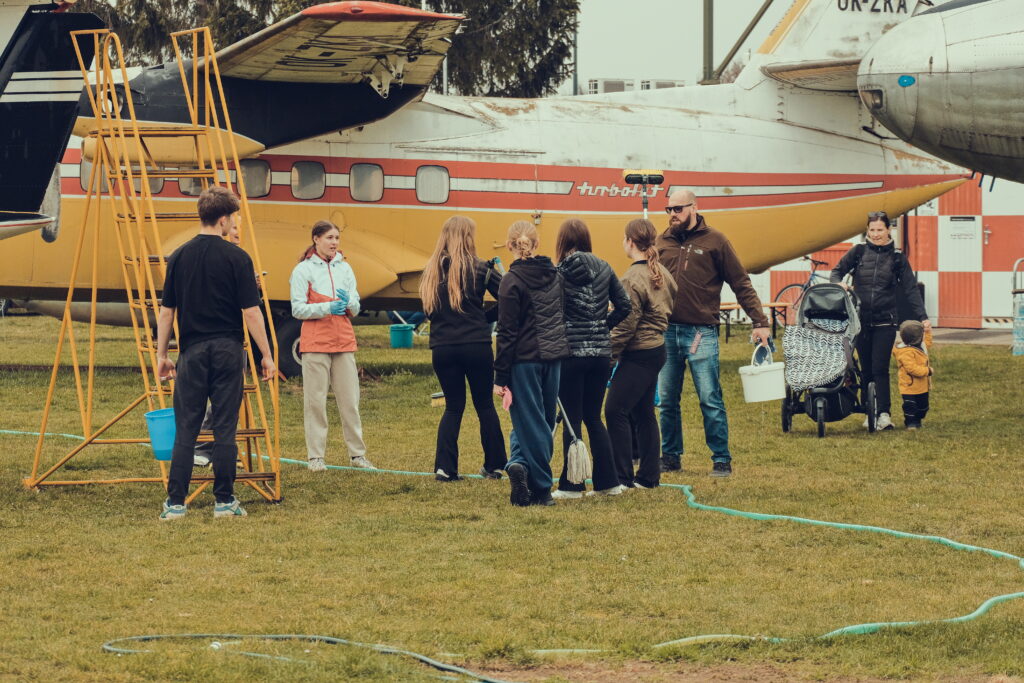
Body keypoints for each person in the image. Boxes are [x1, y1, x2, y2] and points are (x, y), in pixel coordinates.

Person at [156, 186, 275, 521]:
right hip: (228, 350)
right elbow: (251, 312)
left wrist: (162, 355)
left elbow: (167, 312)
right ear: (223, 219)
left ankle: (175, 503)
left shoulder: (178, 256)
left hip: (192, 351)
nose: (233, 223)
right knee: (225, 428)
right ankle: (224, 500)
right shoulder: (238, 258)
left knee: (186, 428)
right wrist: (266, 354)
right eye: (232, 218)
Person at [656, 189, 771, 477]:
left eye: (678, 209)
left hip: (701, 333)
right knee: (667, 400)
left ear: (694, 207)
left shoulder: (716, 241)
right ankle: (670, 457)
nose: (673, 214)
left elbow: (740, 282)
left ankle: (721, 459)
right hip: (666, 331)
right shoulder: (661, 241)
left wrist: (759, 321)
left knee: (709, 398)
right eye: (669, 209)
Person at [419, 216, 507, 482]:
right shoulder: (481, 268)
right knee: (484, 405)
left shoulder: (431, 270)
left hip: (443, 347)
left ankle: (445, 468)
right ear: (468, 237)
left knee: (453, 407)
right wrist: (484, 318)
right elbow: (510, 297)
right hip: (476, 345)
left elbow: (428, 311)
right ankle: (494, 465)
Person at [551, 218, 631, 499]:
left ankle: (572, 485)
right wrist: (602, 327)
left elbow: (552, 311)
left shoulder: (559, 272)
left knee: (571, 420)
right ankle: (608, 483)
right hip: (600, 354)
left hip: (571, 354)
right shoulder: (605, 267)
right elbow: (625, 305)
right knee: (594, 418)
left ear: (562, 242)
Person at [493, 220, 570, 507]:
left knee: (530, 421)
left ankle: (541, 488)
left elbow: (506, 332)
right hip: (553, 358)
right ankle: (520, 464)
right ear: (536, 244)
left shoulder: (510, 281)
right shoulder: (556, 276)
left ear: (509, 245)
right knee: (542, 421)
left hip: (523, 361)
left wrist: (500, 376)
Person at [830, 211, 930, 431]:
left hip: (886, 321)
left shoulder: (897, 258)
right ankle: (870, 412)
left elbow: (911, 289)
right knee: (866, 369)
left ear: (888, 230)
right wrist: (839, 284)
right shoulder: (858, 252)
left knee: (880, 368)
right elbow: (836, 272)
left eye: (880, 230)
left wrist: (922, 317)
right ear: (867, 230)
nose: (875, 234)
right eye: (872, 230)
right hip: (860, 322)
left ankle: (884, 414)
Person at [289, 220, 375, 472]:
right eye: (329, 238)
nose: (334, 242)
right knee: (315, 402)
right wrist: (327, 307)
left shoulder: (345, 268)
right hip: (315, 343)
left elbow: (356, 307)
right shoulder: (303, 270)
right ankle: (316, 457)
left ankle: (357, 455)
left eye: (337, 238)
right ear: (316, 239)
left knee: (350, 401)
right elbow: (297, 309)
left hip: (343, 341)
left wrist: (349, 303)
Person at [607, 219, 677, 489]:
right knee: (643, 412)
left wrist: (609, 355)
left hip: (638, 353)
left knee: (615, 410)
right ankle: (648, 476)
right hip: (656, 349)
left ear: (630, 242)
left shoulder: (631, 278)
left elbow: (626, 324)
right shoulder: (662, 272)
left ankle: (622, 477)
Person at [893, 319, 933, 430]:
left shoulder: (921, 346)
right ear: (917, 337)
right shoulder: (905, 352)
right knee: (910, 406)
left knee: (923, 407)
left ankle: (918, 420)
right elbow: (912, 369)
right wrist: (928, 371)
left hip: (922, 386)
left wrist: (928, 332)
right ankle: (910, 423)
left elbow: (928, 342)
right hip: (909, 386)